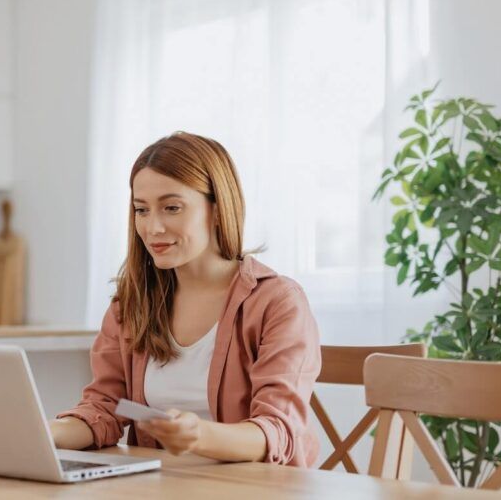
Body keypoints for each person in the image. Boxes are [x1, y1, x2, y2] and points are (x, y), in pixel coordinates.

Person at [50, 132, 321, 466]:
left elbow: (279, 431)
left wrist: (199, 435)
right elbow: (104, 407)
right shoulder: (131, 306)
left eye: (172, 208)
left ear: (218, 209)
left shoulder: (277, 302)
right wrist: (45, 432)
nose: (154, 228)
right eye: (141, 210)